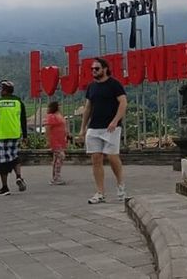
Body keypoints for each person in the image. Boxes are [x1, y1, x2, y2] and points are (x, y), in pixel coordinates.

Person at [76, 58, 128, 204]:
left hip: (111, 127)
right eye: (92, 69)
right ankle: (100, 192)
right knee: (96, 159)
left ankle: (120, 185)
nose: (94, 71)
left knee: (112, 157)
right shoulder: (91, 87)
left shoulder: (114, 84)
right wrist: (83, 128)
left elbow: (123, 103)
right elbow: (88, 108)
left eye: (97, 69)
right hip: (94, 127)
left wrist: (115, 120)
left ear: (105, 69)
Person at [0, 80, 28, 196]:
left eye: (1, 89)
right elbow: (23, 120)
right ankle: (18, 176)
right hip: (15, 135)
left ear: (4, 90)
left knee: (1, 162)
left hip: (1, 136)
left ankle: (5, 187)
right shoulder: (19, 102)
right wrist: (25, 136)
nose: (0, 91)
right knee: (14, 156)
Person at [45, 101, 68, 185]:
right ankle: (56, 177)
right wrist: (48, 140)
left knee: (56, 158)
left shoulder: (59, 116)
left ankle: (55, 176)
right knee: (61, 156)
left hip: (60, 140)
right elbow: (48, 128)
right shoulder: (52, 117)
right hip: (55, 140)